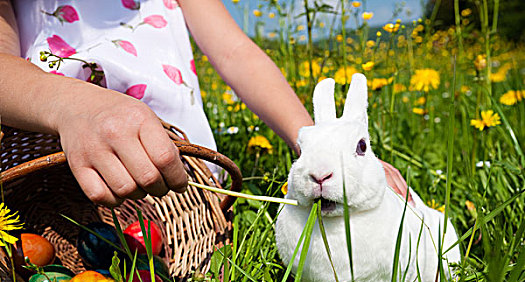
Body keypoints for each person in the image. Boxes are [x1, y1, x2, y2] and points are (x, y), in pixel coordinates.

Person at [0, 0, 411, 207]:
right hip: (51, 176)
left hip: (184, 185)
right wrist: (70, 104)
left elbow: (236, 53)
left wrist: (317, 141)